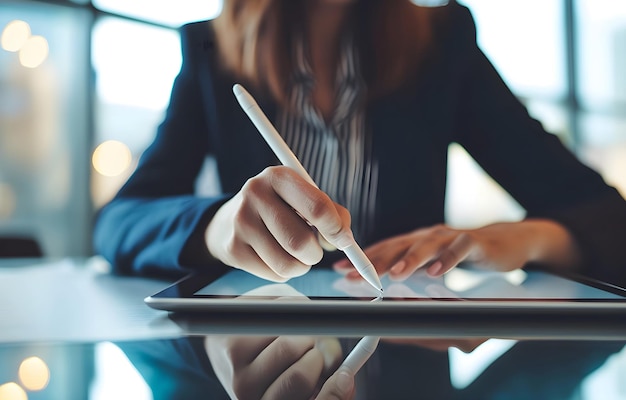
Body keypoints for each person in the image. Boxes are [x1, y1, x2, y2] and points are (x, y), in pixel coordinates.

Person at [94, 0, 626, 288]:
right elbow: (120, 222)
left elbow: (609, 220)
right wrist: (215, 228)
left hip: (407, 352)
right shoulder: (210, 49)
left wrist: (523, 239)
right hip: (254, 346)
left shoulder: (444, 44)